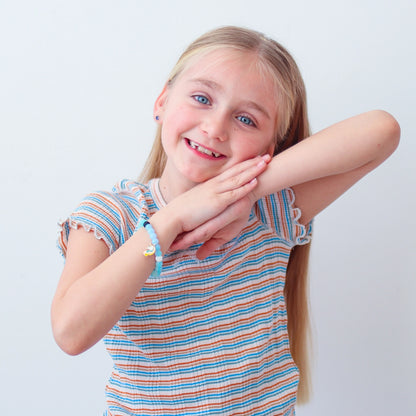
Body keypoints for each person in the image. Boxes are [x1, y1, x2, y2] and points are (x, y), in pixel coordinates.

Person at [52, 26, 400, 416]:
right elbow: (71, 333)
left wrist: (249, 191)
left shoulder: (268, 214)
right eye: (202, 98)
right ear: (162, 101)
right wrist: (169, 221)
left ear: (269, 149)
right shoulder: (111, 215)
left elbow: (382, 131)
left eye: (246, 120)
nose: (215, 129)